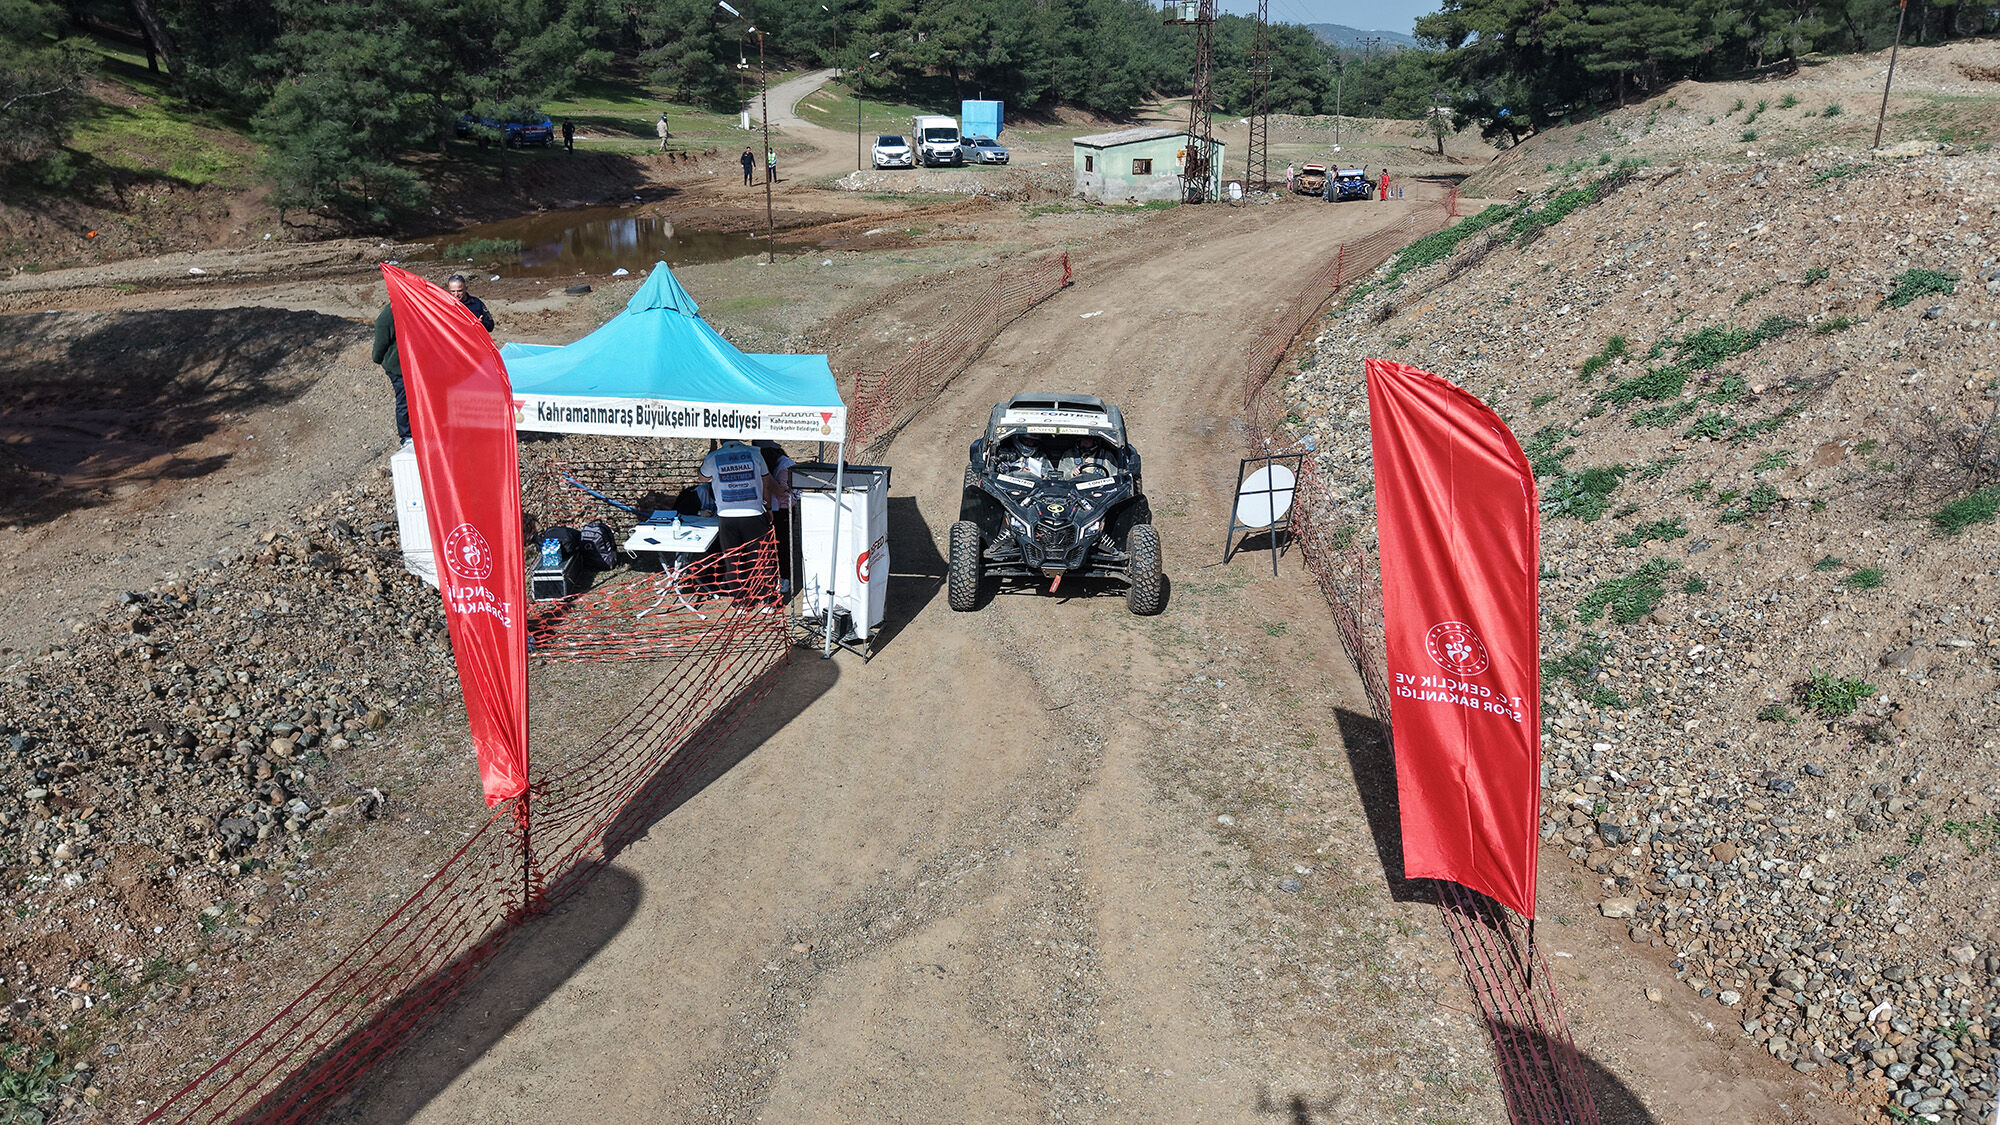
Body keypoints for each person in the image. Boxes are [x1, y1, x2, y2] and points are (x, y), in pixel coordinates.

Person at [696, 439, 772, 601]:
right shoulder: (755, 453)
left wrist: (710, 455)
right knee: (760, 558)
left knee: (732, 560)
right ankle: (765, 599)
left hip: (727, 515)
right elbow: (766, 484)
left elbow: (702, 478)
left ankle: (741, 601)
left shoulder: (714, 456)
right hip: (754, 512)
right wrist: (769, 507)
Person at [754, 441, 798, 595]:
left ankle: (785, 578)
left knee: (783, 546)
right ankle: (776, 576)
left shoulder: (785, 466)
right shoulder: (777, 465)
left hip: (784, 510)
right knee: (773, 546)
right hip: (775, 508)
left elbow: (780, 491)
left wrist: (765, 475)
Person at [371, 303, 410, 444]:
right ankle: (406, 436)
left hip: (411, 366)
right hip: (398, 368)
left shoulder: (410, 307)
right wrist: (379, 359)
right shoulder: (388, 315)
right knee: (404, 401)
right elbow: (380, 344)